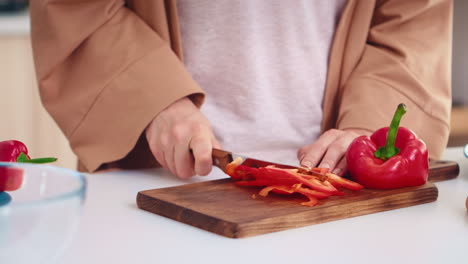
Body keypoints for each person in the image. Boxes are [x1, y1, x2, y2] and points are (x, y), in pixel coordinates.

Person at [29, 0, 453, 179]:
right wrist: (153, 98)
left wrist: (368, 132)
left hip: (342, 188)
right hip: (153, 176)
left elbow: (413, 24)